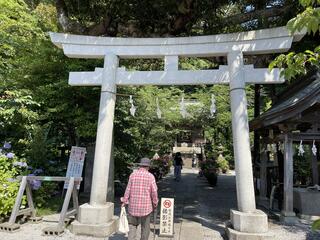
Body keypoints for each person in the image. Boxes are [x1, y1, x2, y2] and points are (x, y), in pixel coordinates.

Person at [121, 157, 158, 240]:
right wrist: (155, 202)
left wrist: (124, 200)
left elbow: (128, 189)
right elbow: (154, 191)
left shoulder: (133, 175)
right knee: (145, 227)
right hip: (146, 207)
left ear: (140, 165)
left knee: (132, 226)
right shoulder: (150, 176)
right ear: (148, 166)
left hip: (133, 206)